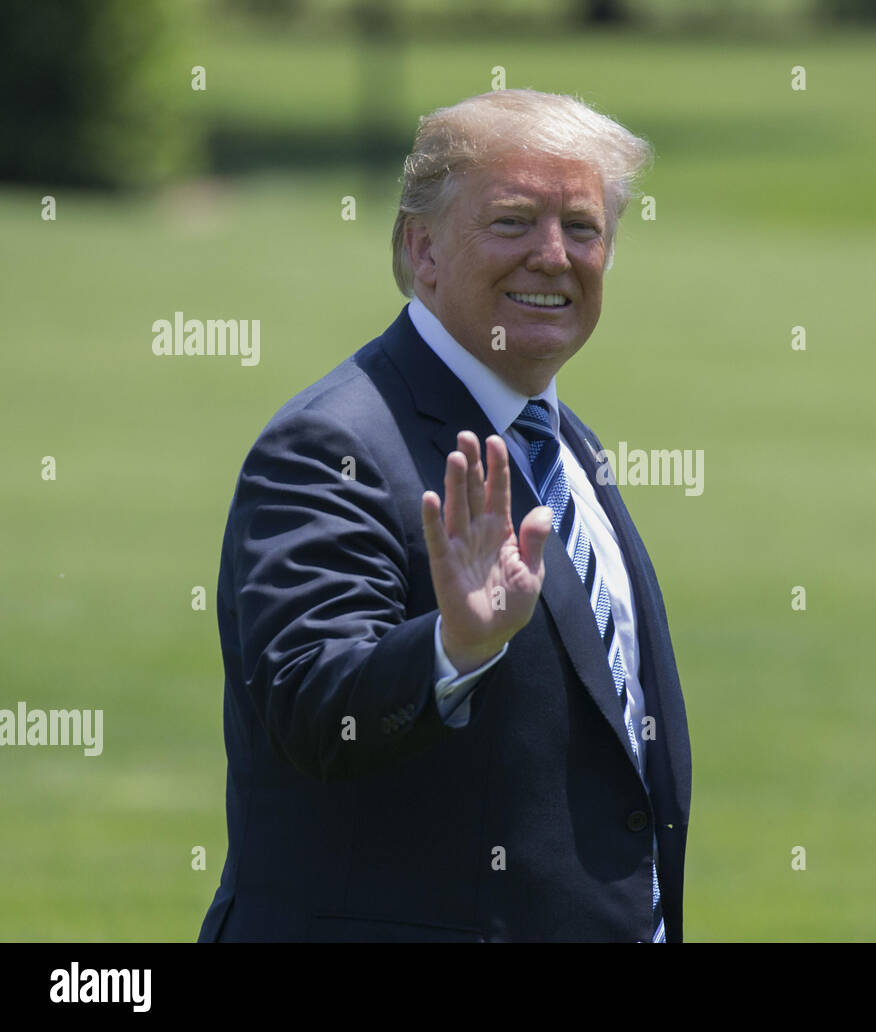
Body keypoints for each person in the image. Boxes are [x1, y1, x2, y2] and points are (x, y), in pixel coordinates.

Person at [197, 89, 692, 942]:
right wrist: (450, 649)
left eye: (581, 228)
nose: (552, 256)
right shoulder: (331, 443)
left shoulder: (558, 438)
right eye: (511, 222)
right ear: (421, 248)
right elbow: (312, 706)